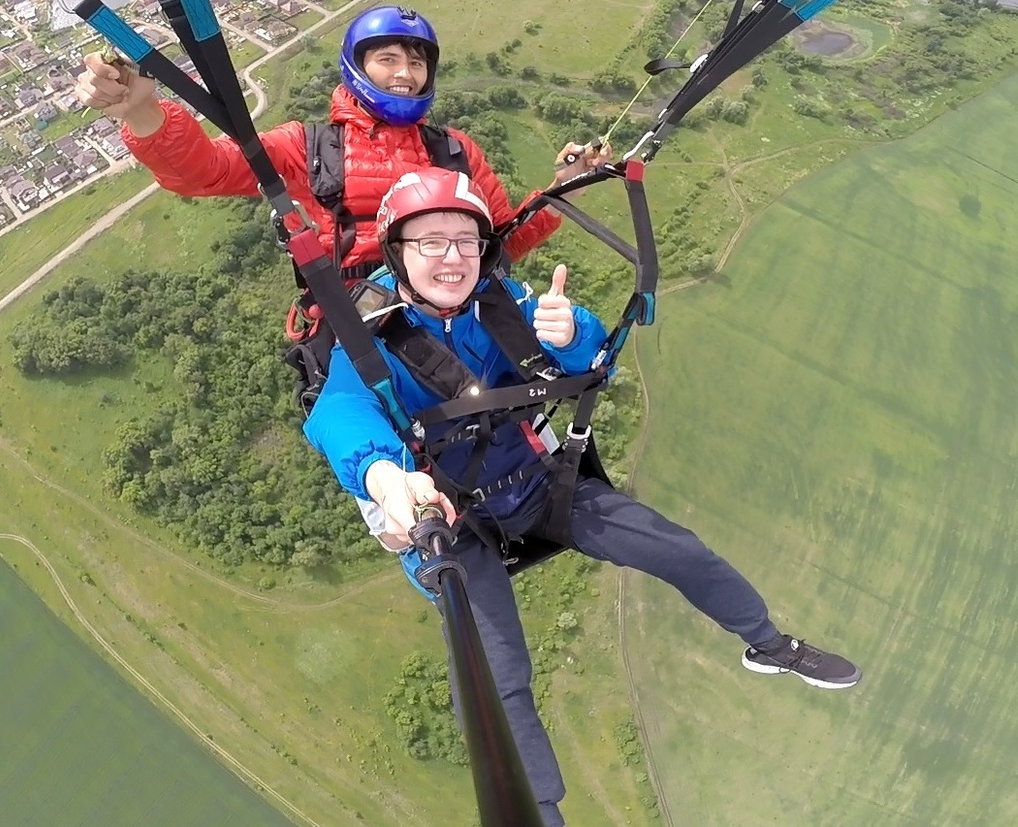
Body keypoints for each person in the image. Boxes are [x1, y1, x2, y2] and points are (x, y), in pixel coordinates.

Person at [303, 167, 862, 827]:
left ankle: (769, 644)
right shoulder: (371, 342)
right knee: (496, 673)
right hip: (447, 520)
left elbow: (585, 358)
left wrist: (573, 335)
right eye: (431, 242)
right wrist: (385, 477)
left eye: (466, 240)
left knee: (680, 549)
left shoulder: (502, 302)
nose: (452, 257)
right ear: (398, 252)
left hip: (538, 488)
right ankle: (539, 813)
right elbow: (342, 412)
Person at [74, 4, 603, 277]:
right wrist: (142, 111)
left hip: (461, 304)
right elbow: (205, 171)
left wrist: (565, 190)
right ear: (359, 68)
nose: (406, 73)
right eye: (388, 59)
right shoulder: (308, 148)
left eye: (416, 61)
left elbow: (501, 244)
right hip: (367, 327)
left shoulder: (457, 151)